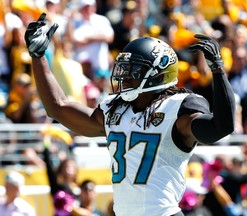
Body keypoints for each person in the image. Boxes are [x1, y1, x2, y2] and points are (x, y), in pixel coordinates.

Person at [24, 13, 235, 216]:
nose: (124, 76)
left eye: (133, 70)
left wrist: (217, 70)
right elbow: (58, 107)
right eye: (123, 68)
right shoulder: (116, 109)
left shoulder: (177, 109)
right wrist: (38, 56)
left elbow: (221, 127)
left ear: (157, 74)